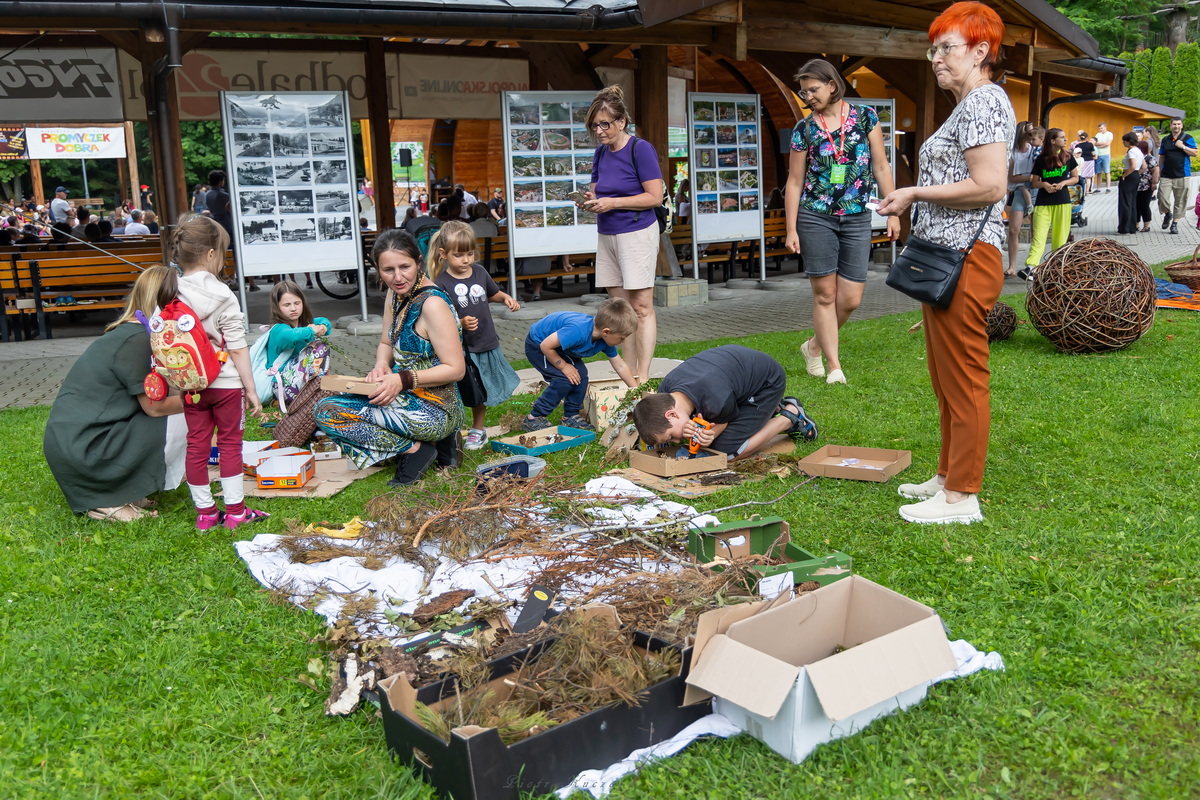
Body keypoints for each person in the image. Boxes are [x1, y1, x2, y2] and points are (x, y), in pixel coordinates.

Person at [877, 0, 1015, 525]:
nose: (936, 58)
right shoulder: (969, 104)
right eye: (932, 49)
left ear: (981, 51)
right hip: (946, 258)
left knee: (963, 376)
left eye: (947, 48)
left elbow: (990, 186)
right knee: (945, 376)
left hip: (967, 256)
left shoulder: (984, 102)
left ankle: (962, 496)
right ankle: (945, 476)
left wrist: (914, 192)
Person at [314, 229, 466, 486]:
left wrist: (402, 380)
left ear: (419, 262)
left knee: (327, 411)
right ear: (377, 269)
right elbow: (386, 341)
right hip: (406, 397)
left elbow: (456, 369)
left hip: (437, 409)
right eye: (388, 270)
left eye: (405, 267)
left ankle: (417, 448)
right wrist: (382, 365)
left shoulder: (432, 304)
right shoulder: (395, 294)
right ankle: (434, 445)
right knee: (330, 402)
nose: (397, 277)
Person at [784, 58, 899, 386]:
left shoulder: (866, 117)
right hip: (815, 216)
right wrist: (791, 228)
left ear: (832, 85)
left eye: (813, 89)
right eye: (804, 92)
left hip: (857, 215)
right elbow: (794, 181)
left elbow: (881, 166)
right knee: (824, 294)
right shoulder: (803, 129)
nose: (808, 97)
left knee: (850, 299)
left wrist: (890, 211)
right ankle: (833, 366)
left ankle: (814, 346)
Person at [44, 266, 186, 522]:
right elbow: (154, 407)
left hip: (79, 442)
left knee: (187, 407)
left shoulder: (134, 333)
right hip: (87, 448)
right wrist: (202, 400)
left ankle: (125, 490)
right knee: (189, 412)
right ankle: (108, 500)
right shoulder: (137, 340)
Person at [172, 216, 266, 531]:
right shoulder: (224, 295)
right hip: (225, 385)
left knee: (196, 443)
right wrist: (251, 390)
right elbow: (238, 348)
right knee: (229, 444)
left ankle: (206, 514)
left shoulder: (170, 292)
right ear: (211, 254)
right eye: (223, 252)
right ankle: (236, 512)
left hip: (191, 385)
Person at [582, 84, 663, 385]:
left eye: (605, 124)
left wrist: (614, 202)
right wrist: (589, 201)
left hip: (637, 231)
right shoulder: (600, 153)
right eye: (594, 126)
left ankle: (644, 372)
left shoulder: (640, 149)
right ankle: (629, 372)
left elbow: (654, 196)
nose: (599, 131)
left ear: (621, 122)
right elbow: (596, 190)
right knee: (621, 309)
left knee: (641, 305)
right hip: (608, 234)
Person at [632, 345, 818, 460]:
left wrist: (709, 436)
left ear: (671, 414)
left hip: (766, 383)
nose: (676, 441)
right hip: (735, 382)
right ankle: (771, 409)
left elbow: (722, 421)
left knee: (726, 452)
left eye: (671, 436)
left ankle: (789, 415)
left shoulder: (714, 400)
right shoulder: (666, 389)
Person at [429, 221, 521, 450]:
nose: (466, 260)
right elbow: (440, 318)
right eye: (459, 255)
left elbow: (493, 293)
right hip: (461, 349)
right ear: (444, 254)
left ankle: (478, 429)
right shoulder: (441, 283)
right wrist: (459, 323)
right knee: (462, 390)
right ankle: (452, 429)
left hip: (485, 342)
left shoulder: (479, 272)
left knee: (481, 390)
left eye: (469, 253)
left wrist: (506, 298)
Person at [521, 298, 638, 432]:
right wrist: (564, 367)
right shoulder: (577, 331)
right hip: (539, 344)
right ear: (606, 331)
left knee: (580, 375)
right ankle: (533, 417)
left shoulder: (605, 340)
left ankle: (570, 416)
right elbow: (546, 346)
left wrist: (636, 390)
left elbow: (620, 365)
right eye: (621, 338)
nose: (622, 342)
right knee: (564, 379)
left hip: (559, 348)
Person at [252, 280, 332, 405]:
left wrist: (323, 327)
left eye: (297, 303)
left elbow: (324, 321)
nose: (293, 308)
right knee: (319, 347)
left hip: (295, 382)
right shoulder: (279, 329)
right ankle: (315, 391)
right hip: (278, 385)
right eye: (287, 305)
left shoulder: (302, 324)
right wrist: (311, 329)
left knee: (318, 347)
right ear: (277, 306)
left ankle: (317, 389)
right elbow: (291, 336)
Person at [1018, 127, 1078, 281]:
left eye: (1065, 137)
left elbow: (1075, 178)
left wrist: (1064, 182)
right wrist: (1044, 184)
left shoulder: (1068, 157)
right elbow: (1035, 182)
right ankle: (1031, 267)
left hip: (1063, 202)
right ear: (1052, 141)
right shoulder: (1041, 159)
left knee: (1060, 237)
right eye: (1062, 137)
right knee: (1039, 236)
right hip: (1043, 202)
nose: (1065, 140)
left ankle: (1057, 269)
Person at [1006, 122, 1044, 276]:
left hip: (1037, 190)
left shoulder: (1037, 150)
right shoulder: (1013, 153)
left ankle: (1034, 265)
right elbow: (1012, 178)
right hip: (1021, 191)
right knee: (1014, 229)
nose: (1032, 136)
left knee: (1037, 231)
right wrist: (1031, 176)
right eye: (1029, 133)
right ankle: (1012, 267)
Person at [1158, 117, 1197, 234]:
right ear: (1170, 126)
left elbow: (1195, 153)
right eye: (1174, 124)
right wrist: (1160, 170)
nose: (1176, 126)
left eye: (1178, 124)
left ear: (1182, 125)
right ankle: (1167, 214)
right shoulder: (1165, 139)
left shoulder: (1187, 138)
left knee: (1180, 201)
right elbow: (1162, 156)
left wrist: (1183, 147)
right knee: (1162, 198)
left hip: (1182, 175)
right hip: (1166, 175)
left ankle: (1175, 224)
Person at [1117, 132, 1145, 235]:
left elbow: (1132, 166)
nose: (1123, 143)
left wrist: (1125, 175)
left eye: (1124, 141)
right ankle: (1132, 227)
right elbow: (1144, 166)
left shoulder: (1131, 152)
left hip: (1129, 175)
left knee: (1125, 202)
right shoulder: (1139, 151)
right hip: (1136, 176)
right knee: (1132, 202)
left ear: (1128, 141)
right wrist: (1137, 174)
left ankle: (1124, 228)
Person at [1135, 139, 1159, 233]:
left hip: (1146, 185)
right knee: (1135, 205)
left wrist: (1154, 183)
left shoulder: (1149, 158)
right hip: (1136, 186)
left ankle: (1146, 225)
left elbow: (1156, 170)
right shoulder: (1136, 158)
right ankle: (1136, 224)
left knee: (1144, 205)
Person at [1092, 122, 1113, 194]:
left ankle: (1108, 188)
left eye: (1101, 128)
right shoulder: (1098, 134)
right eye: (1099, 128)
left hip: (1106, 154)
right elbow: (1095, 143)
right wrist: (1103, 143)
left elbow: (1108, 143)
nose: (1100, 129)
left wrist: (1100, 144)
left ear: (1105, 127)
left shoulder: (1109, 134)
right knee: (1099, 172)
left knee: (1107, 171)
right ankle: (1098, 188)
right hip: (1098, 154)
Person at [1073, 130, 1096, 196]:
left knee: (1081, 176)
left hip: (1081, 161)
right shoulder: (1090, 144)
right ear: (1086, 137)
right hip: (1090, 161)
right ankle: (1087, 191)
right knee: (1088, 177)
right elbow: (1093, 153)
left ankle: (1080, 191)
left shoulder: (1078, 145)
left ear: (1080, 137)